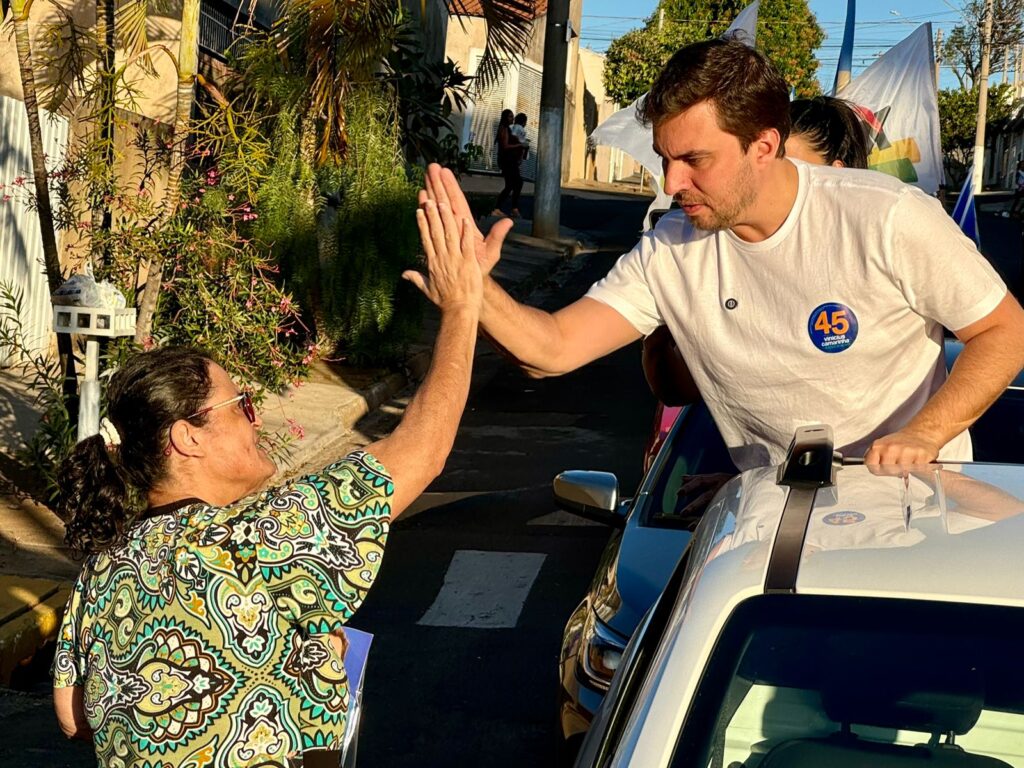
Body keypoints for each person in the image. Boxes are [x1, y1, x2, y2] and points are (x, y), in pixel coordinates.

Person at [412, 38, 1024, 470]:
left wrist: (924, 435)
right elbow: (553, 350)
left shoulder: (885, 216)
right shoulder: (670, 250)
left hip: (909, 512)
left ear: (764, 144)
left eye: (695, 160)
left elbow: (1005, 330)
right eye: (664, 157)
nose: (671, 182)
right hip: (773, 523)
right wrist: (475, 293)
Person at [52, 200, 482, 767]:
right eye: (241, 405)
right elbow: (421, 450)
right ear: (188, 437)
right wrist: (462, 306)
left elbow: (73, 715)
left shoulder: (104, 567)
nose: (257, 418)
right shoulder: (256, 537)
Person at [643, 94, 872, 409]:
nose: (769, 181)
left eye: (790, 169)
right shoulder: (702, 253)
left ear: (835, 175)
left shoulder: (881, 244)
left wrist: (924, 435)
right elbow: (675, 389)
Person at [492, 108, 525, 219]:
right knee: (515, 183)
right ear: (506, 118)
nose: (512, 118)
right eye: (510, 116)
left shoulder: (508, 129)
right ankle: (501, 208)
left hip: (509, 160)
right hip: (507, 161)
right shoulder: (504, 129)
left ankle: (512, 208)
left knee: (514, 184)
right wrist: (520, 145)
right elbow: (505, 146)